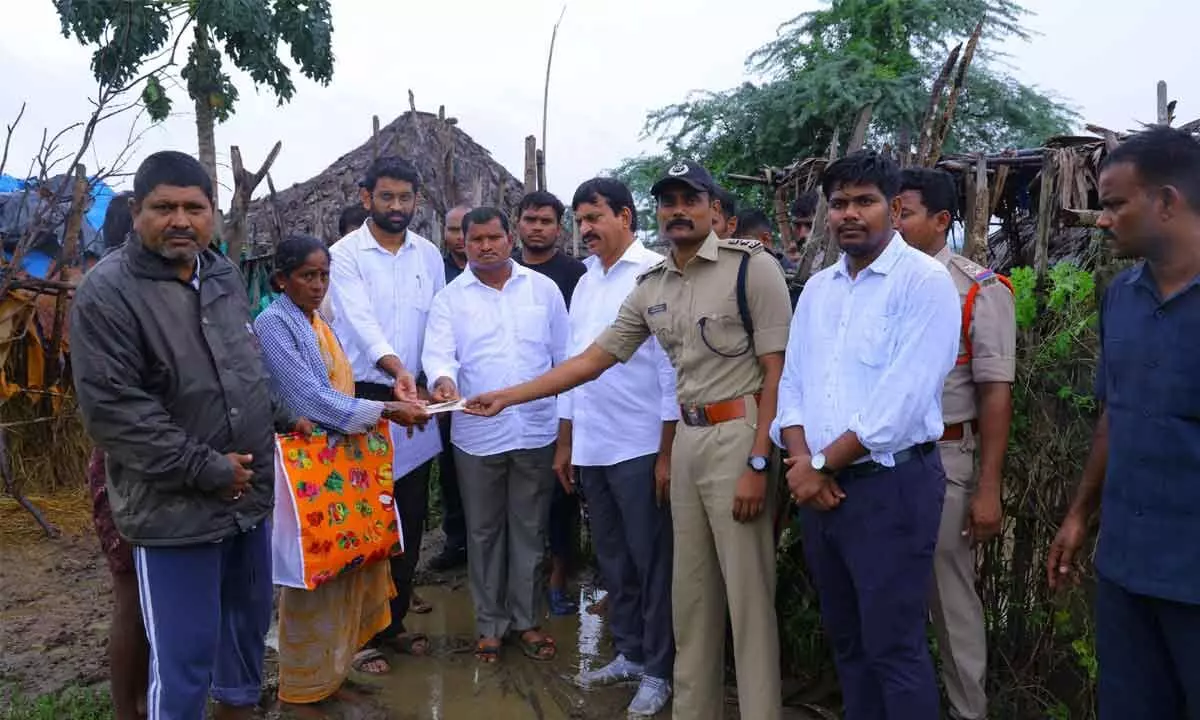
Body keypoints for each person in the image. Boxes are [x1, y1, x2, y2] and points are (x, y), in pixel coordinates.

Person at [465, 159, 793, 720]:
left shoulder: (750, 269)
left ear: (713, 209)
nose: (678, 212)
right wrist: (509, 396)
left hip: (736, 437)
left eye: (690, 200)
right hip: (685, 441)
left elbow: (780, 372)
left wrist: (760, 461)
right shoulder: (652, 287)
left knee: (747, 598)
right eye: (669, 202)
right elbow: (590, 361)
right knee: (691, 597)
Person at [71, 150, 312, 720]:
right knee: (182, 664)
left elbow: (244, 366)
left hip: (248, 502)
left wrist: (282, 414)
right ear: (136, 212)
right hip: (174, 511)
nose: (180, 220)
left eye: (194, 207)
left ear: (212, 213)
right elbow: (115, 412)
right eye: (164, 207)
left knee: (244, 645)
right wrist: (209, 469)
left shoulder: (222, 274)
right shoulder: (108, 292)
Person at [773, 151, 960, 720]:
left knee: (894, 647)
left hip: (891, 488)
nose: (849, 214)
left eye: (865, 201)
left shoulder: (925, 284)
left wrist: (820, 465)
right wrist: (806, 464)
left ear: (895, 207)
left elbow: (900, 404)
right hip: (821, 490)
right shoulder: (820, 290)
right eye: (839, 203)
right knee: (848, 640)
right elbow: (794, 384)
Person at [1047, 126, 1200, 719]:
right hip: (1127, 571)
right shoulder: (1121, 297)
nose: (1102, 219)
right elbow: (1115, 411)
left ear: (1167, 201)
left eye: (1114, 204)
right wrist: (1081, 513)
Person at [255, 234, 432, 703]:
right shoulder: (274, 324)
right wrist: (386, 412)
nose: (317, 285)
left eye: (324, 276)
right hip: (309, 468)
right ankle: (302, 687)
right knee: (314, 574)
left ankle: (332, 672)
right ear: (282, 280)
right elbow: (308, 398)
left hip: (339, 461)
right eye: (307, 276)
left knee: (347, 564)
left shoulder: (317, 320)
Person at [422, 206, 568, 664]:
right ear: (462, 243)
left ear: (510, 239)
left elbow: (565, 362)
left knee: (529, 529)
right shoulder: (450, 299)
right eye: (476, 239)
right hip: (476, 434)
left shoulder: (543, 291)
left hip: (536, 429)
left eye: (494, 237)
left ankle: (526, 621)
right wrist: (443, 380)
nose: (486, 246)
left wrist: (566, 429)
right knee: (483, 531)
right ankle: (490, 625)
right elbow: (438, 355)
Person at [897, 167, 1015, 720]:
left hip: (946, 457)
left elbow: (995, 393)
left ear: (941, 221)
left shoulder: (977, 290)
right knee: (890, 591)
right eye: (890, 210)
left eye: (905, 212)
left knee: (950, 596)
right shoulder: (875, 282)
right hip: (879, 461)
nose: (893, 222)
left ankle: (969, 711)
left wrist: (987, 487)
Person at [557, 177, 678, 715]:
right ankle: (628, 651)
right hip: (593, 442)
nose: (585, 229)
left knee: (653, 560)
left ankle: (659, 669)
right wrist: (566, 442)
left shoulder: (655, 274)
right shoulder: (584, 283)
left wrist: (667, 450)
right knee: (613, 558)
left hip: (640, 442)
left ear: (626, 217)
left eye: (594, 217)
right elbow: (570, 366)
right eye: (579, 219)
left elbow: (675, 370)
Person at [327, 155, 445, 657]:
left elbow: (440, 322)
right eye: (387, 197)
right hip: (364, 397)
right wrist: (397, 371)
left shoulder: (429, 255)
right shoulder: (343, 254)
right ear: (366, 198)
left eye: (405, 198)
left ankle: (391, 625)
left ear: (417, 200)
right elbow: (358, 321)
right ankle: (357, 636)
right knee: (361, 517)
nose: (396, 207)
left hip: (415, 398)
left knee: (408, 514)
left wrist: (437, 378)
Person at [83, 189, 147, 720]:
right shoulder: (108, 293)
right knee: (130, 591)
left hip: (147, 457)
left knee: (149, 594)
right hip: (125, 460)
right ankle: (129, 710)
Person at [513, 190, 587, 615]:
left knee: (562, 495)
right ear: (518, 224)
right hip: (507, 405)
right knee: (518, 501)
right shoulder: (503, 271)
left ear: (560, 228)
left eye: (546, 221)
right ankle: (523, 576)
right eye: (530, 220)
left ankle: (560, 576)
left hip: (562, 401)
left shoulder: (575, 274)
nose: (537, 227)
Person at [427, 203, 473, 573]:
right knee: (451, 467)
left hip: (490, 388)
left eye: (465, 230)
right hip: (444, 388)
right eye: (453, 229)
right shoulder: (434, 272)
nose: (460, 238)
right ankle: (457, 540)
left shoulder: (502, 270)